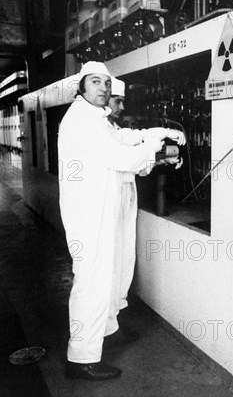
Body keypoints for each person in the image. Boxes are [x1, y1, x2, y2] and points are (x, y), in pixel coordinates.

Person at [58, 62, 170, 381]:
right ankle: (81, 358)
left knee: (115, 270)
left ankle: (107, 329)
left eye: (107, 83)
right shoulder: (82, 120)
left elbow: (122, 141)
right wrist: (154, 151)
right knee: (93, 281)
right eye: (96, 82)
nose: (104, 89)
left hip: (103, 209)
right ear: (82, 87)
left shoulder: (98, 119)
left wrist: (154, 140)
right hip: (89, 212)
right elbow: (121, 157)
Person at [103, 77, 185, 347]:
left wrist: (162, 150)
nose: (122, 106)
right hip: (108, 202)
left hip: (123, 196)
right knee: (110, 266)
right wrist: (156, 147)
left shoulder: (112, 128)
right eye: (118, 100)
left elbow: (132, 144)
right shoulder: (98, 129)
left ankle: (112, 324)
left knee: (124, 259)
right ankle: (103, 329)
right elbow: (126, 158)